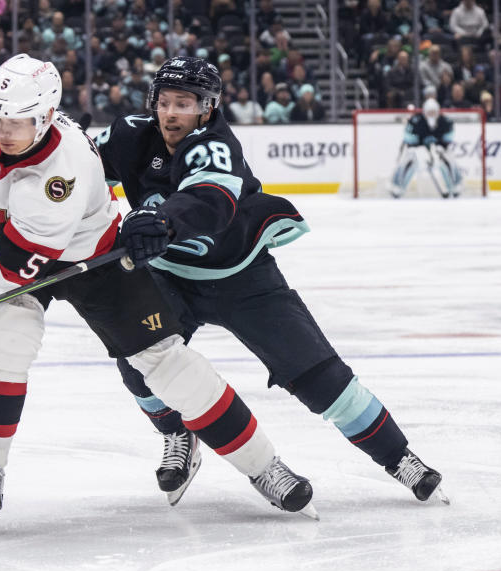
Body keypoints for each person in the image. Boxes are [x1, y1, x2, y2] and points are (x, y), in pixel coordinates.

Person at [0, 54, 317, 524]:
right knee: (4, 345)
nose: (2, 129)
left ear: (47, 117)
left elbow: (9, 272)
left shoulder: (59, 175)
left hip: (90, 255)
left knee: (166, 362)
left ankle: (264, 466)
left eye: (17, 121)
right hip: (12, 241)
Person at [93, 56, 446, 506]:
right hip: (168, 276)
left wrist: (158, 220)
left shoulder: (214, 144)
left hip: (240, 274)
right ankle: (178, 433)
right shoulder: (130, 134)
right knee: (136, 356)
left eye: (184, 103)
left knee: (317, 373)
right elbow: (78, 170)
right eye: (164, 102)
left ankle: (399, 457)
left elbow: (208, 199)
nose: (171, 112)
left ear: (207, 107)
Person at [390, 98, 463, 198]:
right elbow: (407, 137)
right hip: (418, 149)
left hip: (438, 149)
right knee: (409, 158)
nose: (431, 114)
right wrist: (419, 143)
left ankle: (455, 185)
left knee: (448, 158)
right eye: (429, 112)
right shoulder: (416, 120)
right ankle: (397, 186)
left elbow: (449, 138)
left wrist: (438, 145)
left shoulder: (445, 121)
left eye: (433, 112)